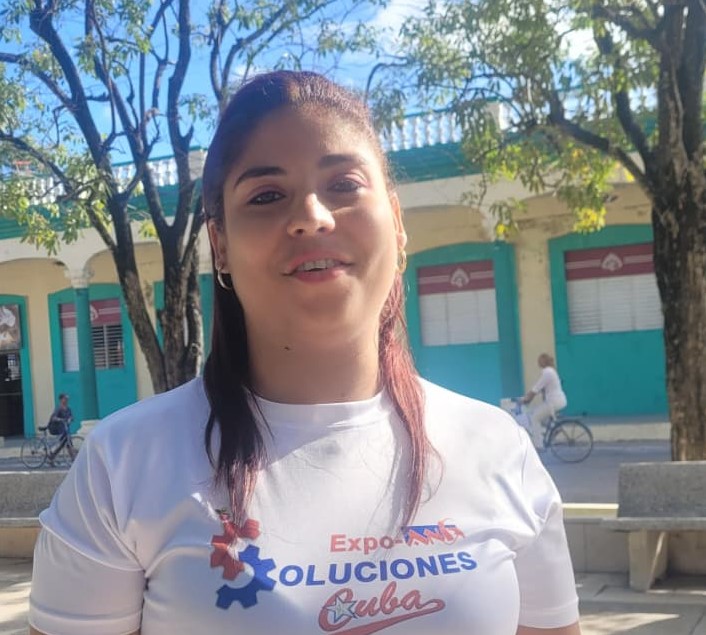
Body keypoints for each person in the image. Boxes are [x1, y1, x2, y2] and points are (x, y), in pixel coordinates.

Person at [29, 71, 580, 635]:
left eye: (344, 184)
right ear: (220, 245)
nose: (313, 216)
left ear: (397, 223)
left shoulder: (499, 450)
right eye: (267, 196)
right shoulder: (122, 465)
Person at [520, 353, 568, 450]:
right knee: (540, 414)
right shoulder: (551, 371)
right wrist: (529, 398)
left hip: (554, 402)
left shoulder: (547, 372)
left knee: (535, 418)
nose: (538, 362)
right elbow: (540, 389)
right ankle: (554, 428)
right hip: (557, 401)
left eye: (539, 360)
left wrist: (526, 399)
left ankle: (539, 445)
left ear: (543, 361)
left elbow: (536, 388)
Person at [46, 393, 73, 464]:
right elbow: (53, 418)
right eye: (65, 399)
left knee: (66, 443)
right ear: (61, 400)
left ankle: (52, 456)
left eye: (67, 399)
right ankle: (73, 459)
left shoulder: (68, 409)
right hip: (59, 428)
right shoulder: (58, 408)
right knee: (65, 443)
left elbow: (71, 416)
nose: (66, 400)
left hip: (66, 429)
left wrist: (70, 419)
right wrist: (60, 419)